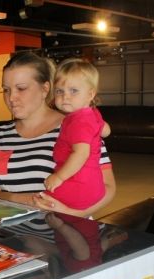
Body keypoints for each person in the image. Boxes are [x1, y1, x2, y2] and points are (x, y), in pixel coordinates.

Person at [0, 52, 116, 218]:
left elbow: (108, 187)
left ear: (45, 89)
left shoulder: (75, 126)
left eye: (21, 88)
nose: (11, 97)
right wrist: (25, 200)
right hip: (12, 231)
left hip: (65, 228)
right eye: (6, 90)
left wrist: (72, 214)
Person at [43, 58, 105, 210]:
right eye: (59, 91)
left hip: (77, 184)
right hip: (93, 184)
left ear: (90, 94)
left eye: (73, 91)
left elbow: (81, 153)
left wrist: (59, 177)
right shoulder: (92, 113)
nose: (65, 96)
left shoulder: (79, 122)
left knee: (41, 204)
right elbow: (106, 130)